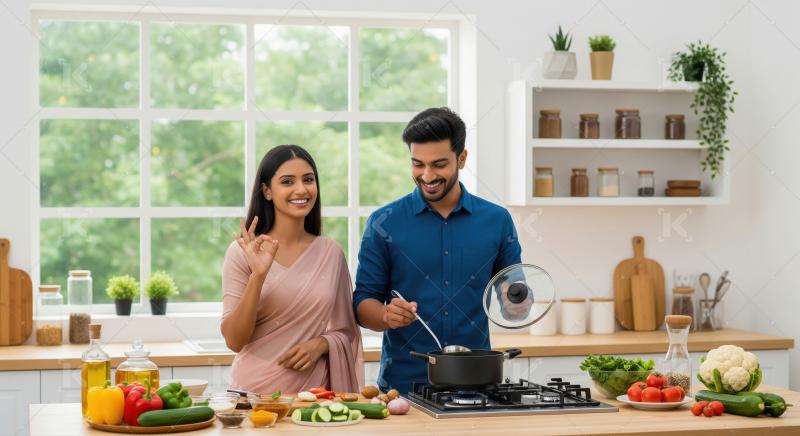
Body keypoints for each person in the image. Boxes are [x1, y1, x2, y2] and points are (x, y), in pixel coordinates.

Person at [352, 107, 525, 395]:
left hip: (478, 385)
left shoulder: (497, 220)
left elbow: (515, 294)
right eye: (417, 164)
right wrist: (385, 315)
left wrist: (517, 302)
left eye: (439, 164)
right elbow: (362, 304)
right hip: (403, 389)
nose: (427, 175)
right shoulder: (384, 222)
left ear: (462, 158)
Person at [221, 144, 363, 393]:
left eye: (308, 180)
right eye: (287, 181)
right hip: (253, 396)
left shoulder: (331, 254)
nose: (301, 189)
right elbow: (234, 340)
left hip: (314, 398)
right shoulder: (243, 252)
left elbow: (347, 331)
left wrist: (321, 344)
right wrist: (258, 276)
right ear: (267, 191)